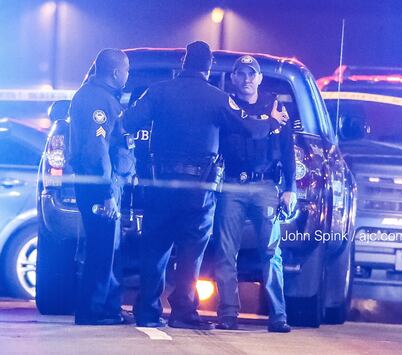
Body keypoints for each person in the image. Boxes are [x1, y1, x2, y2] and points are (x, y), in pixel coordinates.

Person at [123, 41, 289, 330]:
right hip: (198, 189)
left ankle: (148, 310)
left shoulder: (159, 91)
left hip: (160, 183)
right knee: (191, 249)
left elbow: (130, 121)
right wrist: (271, 121)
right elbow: (247, 126)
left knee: (155, 246)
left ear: (184, 63)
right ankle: (182, 311)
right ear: (209, 66)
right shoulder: (216, 98)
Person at [213, 55, 296, 333]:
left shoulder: (275, 106)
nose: (247, 79)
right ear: (234, 78)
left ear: (259, 78)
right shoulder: (226, 104)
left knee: (271, 253)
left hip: (265, 186)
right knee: (226, 252)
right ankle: (227, 314)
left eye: (252, 74)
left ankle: (278, 315)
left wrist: (290, 189)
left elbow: (287, 150)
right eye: (241, 74)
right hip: (232, 185)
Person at [69, 48, 135, 325]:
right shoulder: (100, 101)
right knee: (102, 249)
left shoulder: (92, 95)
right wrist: (108, 193)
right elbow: (97, 151)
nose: (128, 76)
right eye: (127, 71)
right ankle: (92, 311)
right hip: (100, 185)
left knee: (108, 248)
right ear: (117, 72)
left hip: (97, 183)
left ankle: (108, 308)